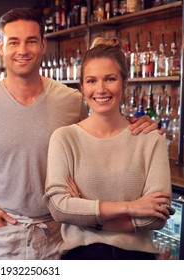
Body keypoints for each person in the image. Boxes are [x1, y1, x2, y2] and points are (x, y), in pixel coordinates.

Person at [0, 7, 158, 260]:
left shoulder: (71, 100)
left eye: (31, 41)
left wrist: (138, 126)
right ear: (1, 47)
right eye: (14, 42)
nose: (22, 50)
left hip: (58, 232)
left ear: (43, 44)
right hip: (1, 232)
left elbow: (102, 129)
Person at [42, 37, 173, 260]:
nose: (100, 89)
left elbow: (156, 217)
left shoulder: (150, 139)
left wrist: (87, 216)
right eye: (91, 81)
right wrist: (131, 207)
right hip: (81, 259)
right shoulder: (65, 138)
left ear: (124, 83)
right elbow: (60, 208)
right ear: (82, 87)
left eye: (110, 79)